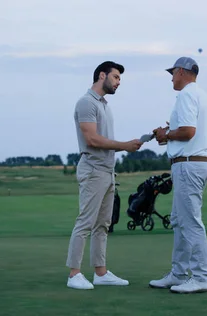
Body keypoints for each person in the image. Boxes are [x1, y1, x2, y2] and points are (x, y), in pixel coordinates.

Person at [66, 61, 144, 290]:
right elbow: (91, 139)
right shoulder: (86, 102)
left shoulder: (104, 105)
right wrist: (124, 145)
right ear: (102, 75)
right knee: (85, 222)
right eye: (116, 77)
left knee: (103, 224)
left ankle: (100, 273)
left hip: (107, 170)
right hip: (93, 169)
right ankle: (74, 274)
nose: (119, 82)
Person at [149, 57, 207, 294]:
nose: (171, 78)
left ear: (181, 71)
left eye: (173, 73)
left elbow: (189, 132)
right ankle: (178, 274)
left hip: (188, 165)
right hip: (198, 163)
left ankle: (200, 277)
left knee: (190, 222)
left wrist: (166, 133)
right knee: (179, 220)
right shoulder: (204, 96)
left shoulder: (187, 95)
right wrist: (174, 130)